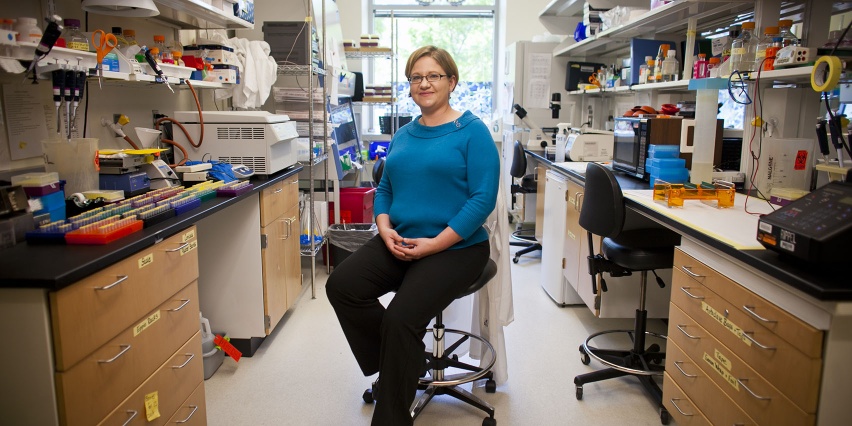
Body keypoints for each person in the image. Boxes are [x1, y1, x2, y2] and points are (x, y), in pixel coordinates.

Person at [326, 45, 500, 425]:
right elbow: (386, 186)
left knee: (400, 318)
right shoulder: (403, 134)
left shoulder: (473, 132)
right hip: (400, 237)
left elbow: (482, 199)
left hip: (456, 247)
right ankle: (402, 359)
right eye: (416, 77)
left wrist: (435, 244)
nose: (424, 83)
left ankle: (392, 412)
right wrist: (384, 227)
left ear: (451, 82)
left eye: (434, 76)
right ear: (409, 86)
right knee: (342, 286)